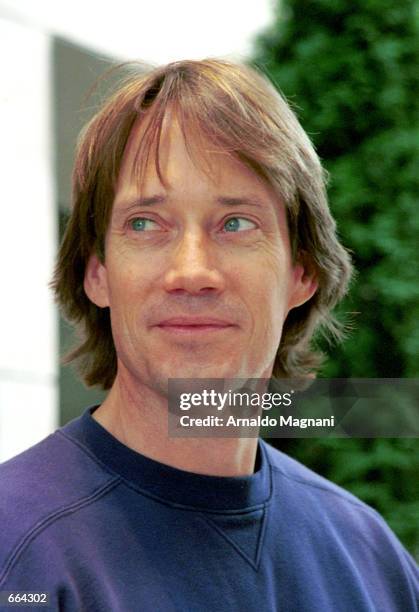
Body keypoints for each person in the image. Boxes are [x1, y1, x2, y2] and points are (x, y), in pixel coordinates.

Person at [0, 58, 417, 612]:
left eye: (236, 223)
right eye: (146, 224)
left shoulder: (372, 560)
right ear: (96, 273)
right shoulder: (17, 549)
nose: (191, 272)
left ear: (303, 273)